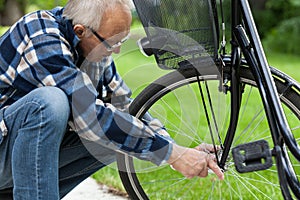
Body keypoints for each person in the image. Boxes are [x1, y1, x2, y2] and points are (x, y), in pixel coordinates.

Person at [0, 0, 224, 199]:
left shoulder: (93, 46)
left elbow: (126, 107)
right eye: (112, 43)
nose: (117, 51)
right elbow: (87, 116)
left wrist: (175, 150)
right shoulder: (40, 34)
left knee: (120, 134)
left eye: (121, 40)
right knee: (50, 103)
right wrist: (173, 155)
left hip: (14, 161)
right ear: (81, 31)